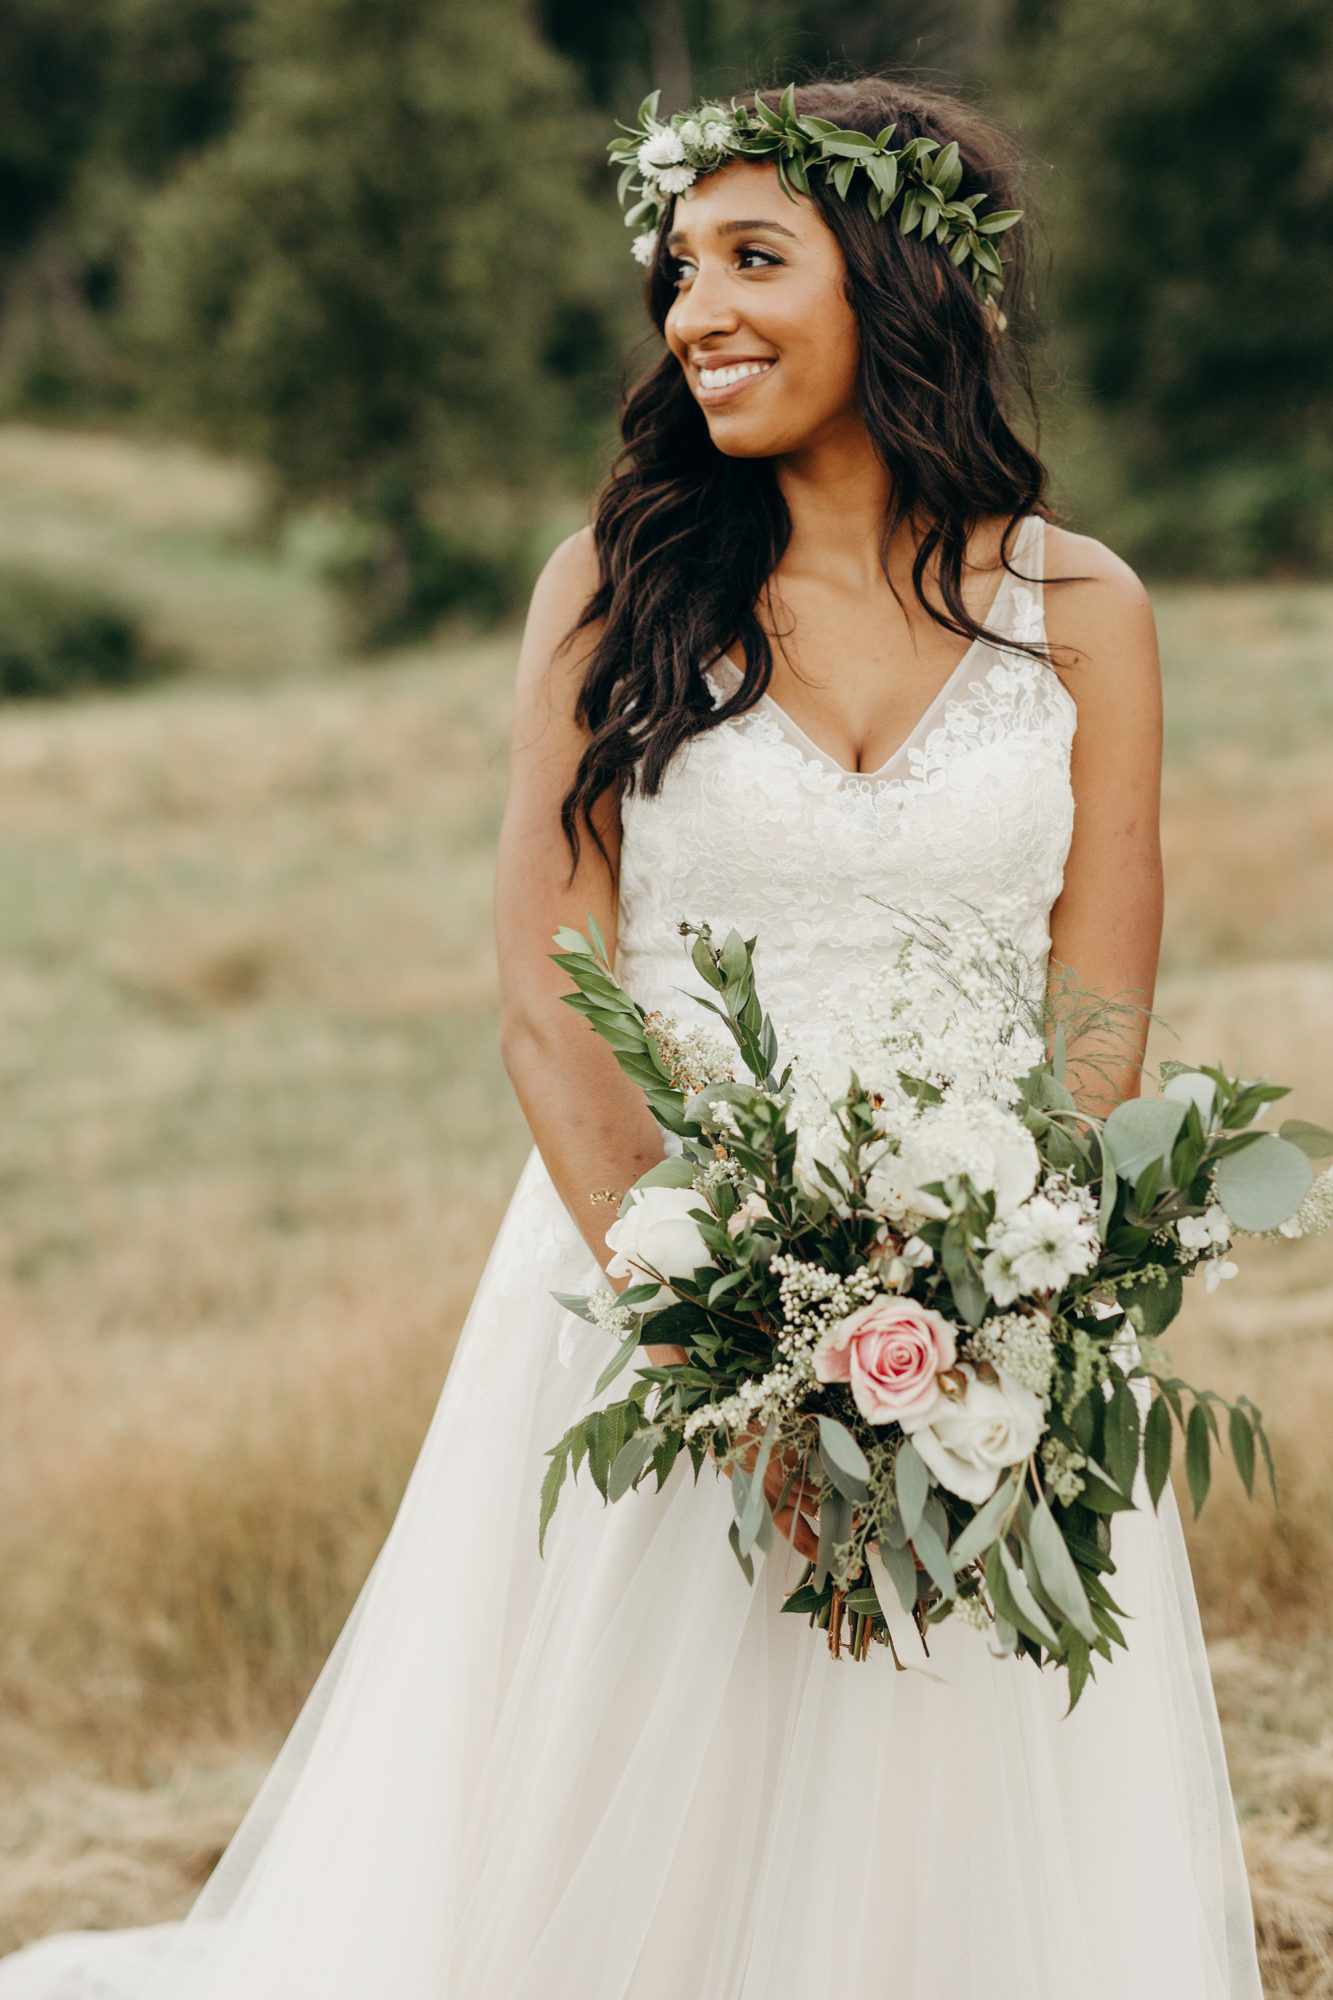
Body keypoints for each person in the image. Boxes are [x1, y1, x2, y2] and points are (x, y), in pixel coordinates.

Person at [0, 71, 1265, 2000]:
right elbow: (546, 991)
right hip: (644, 1284)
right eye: (677, 270)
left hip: (979, 1326)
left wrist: (1008, 1321)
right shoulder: (617, 587)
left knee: (948, 1799)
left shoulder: (1083, 608)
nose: (695, 313)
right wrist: (725, 1347)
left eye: (753, 259)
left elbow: (1097, 1018)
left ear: (898, 282)